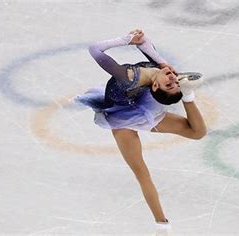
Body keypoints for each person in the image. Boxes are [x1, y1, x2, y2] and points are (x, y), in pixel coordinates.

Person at [76, 29, 207, 234]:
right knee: (141, 171)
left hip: (138, 113)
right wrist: (139, 39)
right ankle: (162, 224)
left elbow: (95, 50)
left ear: (155, 86)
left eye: (171, 83)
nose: (173, 77)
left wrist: (124, 40)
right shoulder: (163, 69)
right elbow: (146, 46)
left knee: (197, 132)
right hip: (124, 119)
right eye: (175, 82)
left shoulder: (127, 77)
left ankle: (188, 96)